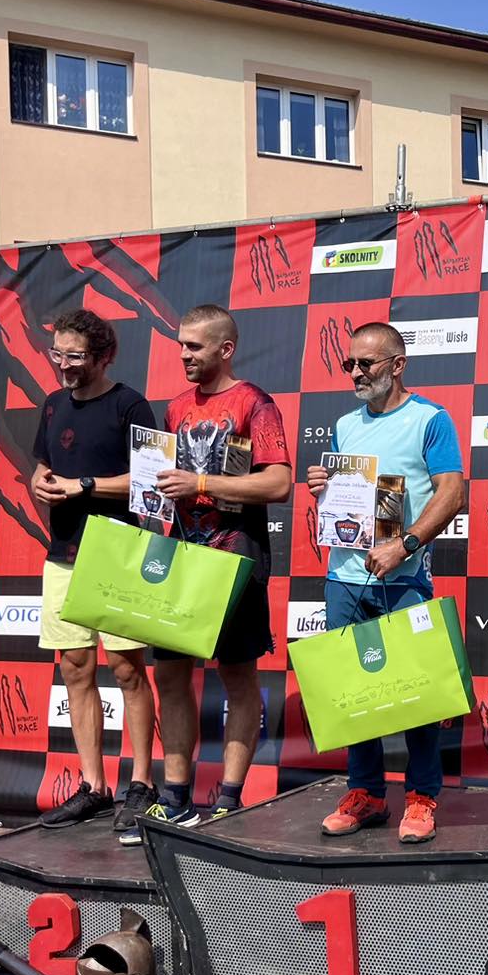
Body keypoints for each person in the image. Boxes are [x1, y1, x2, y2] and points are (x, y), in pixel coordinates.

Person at [119, 304, 292, 845]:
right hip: (181, 561)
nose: (183, 355)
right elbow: (157, 486)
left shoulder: (255, 403)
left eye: (194, 346)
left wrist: (200, 484)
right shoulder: (174, 408)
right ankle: (175, 799)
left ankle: (228, 801)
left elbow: (278, 484)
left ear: (225, 348)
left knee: (237, 679)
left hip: (234, 559)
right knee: (170, 677)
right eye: (181, 345)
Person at [305, 322, 464, 845]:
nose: (354, 372)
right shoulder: (344, 424)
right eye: (349, 363)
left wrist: (406, 545)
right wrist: (323, 488)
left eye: (365, 363)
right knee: (355, 693)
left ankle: (421, 796)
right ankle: (367, 793)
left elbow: (452, 492)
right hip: (345, 577)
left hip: (405, 576)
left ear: (397, 365)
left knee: (418, 695)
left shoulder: (430, 419)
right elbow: (342, 503)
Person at [30, 308, 158, 832]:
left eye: (75, 356)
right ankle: (93, 786)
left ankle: (142, 784)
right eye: (57, 353)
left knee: (127, 670)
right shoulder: (52, 404)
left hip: (117, 553)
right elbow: (43, 466)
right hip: (62, 554)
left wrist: (83, 486)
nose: (63, 364)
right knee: (75, 669)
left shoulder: (130, 404)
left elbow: (149, 479)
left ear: (104, 356)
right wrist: (38, 482)